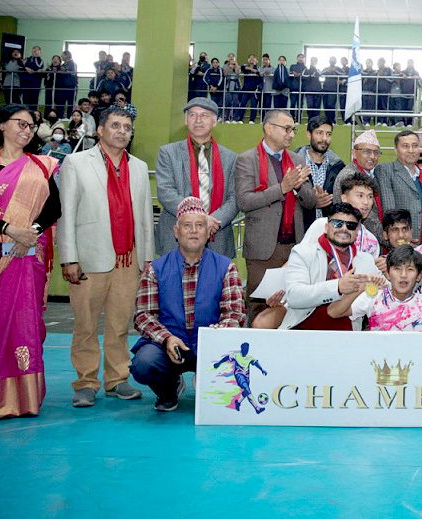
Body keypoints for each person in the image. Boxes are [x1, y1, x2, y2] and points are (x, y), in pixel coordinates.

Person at [58, 107, 155, 408]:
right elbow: (66, 213)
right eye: (115, 125)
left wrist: (147, 258)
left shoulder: (139, 167)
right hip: (89, 257)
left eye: (127, 127)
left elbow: (145, 216)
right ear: (100, 130)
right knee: (85, 325)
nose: (122, 131)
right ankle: (86, 382)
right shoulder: (75, 162)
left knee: (120, 324)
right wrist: (69, 258)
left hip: (129, 258)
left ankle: (117, 379)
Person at [0, 105, 60, 421]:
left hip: (28, 257)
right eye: (20, 123)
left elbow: (53, 207)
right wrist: (9, 229)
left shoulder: (41, 165)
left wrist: (31, 232)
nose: (27, 129)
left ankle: (24, 400)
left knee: (25, 324)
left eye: (31, 125)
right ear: (1, 125)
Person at [129, 197, 245, 412]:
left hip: (209, 345)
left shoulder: (226, 267)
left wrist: (221, 331)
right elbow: (143, 315)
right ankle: (169, 388)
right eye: (187, 225)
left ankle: (207, 377)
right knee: (144, 364)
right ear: (176, 231)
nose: (193, 231)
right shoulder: (155, 269)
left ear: (208, 232)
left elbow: (235, 312)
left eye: (199, 225)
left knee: (236, 359)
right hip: (169, 345)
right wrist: (166, 338)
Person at [234, 109, 316, 322]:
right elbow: (244, 201)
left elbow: (311, 202)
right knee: (259, 308)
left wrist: (298, 187)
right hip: (262, 250)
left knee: (293, 306)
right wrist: (282, 188)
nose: (291, 134)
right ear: (269, 128)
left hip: (294, 247)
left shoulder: (296, 159)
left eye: (293, 130)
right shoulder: (247, 159)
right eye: (287, 129)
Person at [274, 202, 384, 330]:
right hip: (304, 332)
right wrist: (337, 287)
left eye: (351, 225)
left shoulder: (366, 260)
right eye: (337, 223)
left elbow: (386, 292)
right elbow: (294, 296)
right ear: (326, 227)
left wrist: (383, 282)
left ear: (357, 232)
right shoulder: (303, 253)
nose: (344, 229)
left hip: (348, 336)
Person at [155, 98, 238, 258]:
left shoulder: (230, 158)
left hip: (217, 236)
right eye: (192, 115)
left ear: (215, 121)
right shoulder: (168, 153)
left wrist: (213, 221)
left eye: (204, 115)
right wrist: (199, 219)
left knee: (214, 275)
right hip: (176, 237)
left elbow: (234, 198)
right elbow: (165, 192)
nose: (198, 120)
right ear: (186, 120)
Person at [328, 245, 422, 332]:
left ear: (419, 276)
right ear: (388, 273)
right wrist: (361, 288)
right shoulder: (375, 297)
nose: (403, 275)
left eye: (410, 269)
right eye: (397, 269)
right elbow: (334, 312)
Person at [300, 172, 382, 259]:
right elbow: (301, 257)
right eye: (360, 196)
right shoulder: (322, 225)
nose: (366, 202)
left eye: (370, 197)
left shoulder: (371, 240)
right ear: (344, 198)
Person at [376, 130, 422, 244]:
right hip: (401, 243)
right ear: (396, 150)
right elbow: (389, 211)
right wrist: (403, 241)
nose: (411, 150)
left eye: (415, 146)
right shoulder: (385, 171)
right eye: (405, 146)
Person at [332, 129, 384, 239]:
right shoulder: (350, 175)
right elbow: (367, 216)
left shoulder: (367, 173)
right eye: (367, 151)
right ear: (354, 153)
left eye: (376, 152)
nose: (372, 156)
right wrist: (385, 238)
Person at [298, 115, 345, 228]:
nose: (324, 138)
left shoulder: (338, 166)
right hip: (300, 228)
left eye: (328, 134)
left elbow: (341, 202)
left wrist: (326, 203)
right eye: (319, 133)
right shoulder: (295, 163)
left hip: (329, 230)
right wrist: (312, 203)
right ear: (308, 135)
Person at [212, 343, 268, 413]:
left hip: (246, 377)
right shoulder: (236, 355)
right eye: (244, 349)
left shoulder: (250, 357)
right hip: (239, 375)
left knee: (246, 391)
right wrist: (219, 363)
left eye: (247, 350)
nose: (246, 351)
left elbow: (256, 363)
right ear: (241, 349)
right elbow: (227, 357)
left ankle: (238, 402)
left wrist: (262, 370)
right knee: (247, 390)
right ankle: (257, 408)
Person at [21, 46, 45, 111]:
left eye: (37, 50)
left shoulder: (40, 61)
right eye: (34, 50)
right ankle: (26, 114)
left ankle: (33, 114)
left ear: (40, 52)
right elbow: (20, 67)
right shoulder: (27, 59)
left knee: (34, 99)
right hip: (25, 82)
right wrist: (25, 68)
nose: (35, 51)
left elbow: (38, 67)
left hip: (35, 83)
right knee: (25, 99)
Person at [288, 53, 306, 121]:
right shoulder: (292, 66)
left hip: (301, 89)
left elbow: (306, 76)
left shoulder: (305, 68)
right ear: (297, 58)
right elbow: (289, 74)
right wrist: (293, 73)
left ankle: (298, 120)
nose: (300, 59)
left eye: (302, 57)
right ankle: (291, 120)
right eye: (299, 57)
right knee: (292, 104)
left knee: (300, 105)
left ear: (304, 59)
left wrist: (300, 74)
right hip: (293, 88)